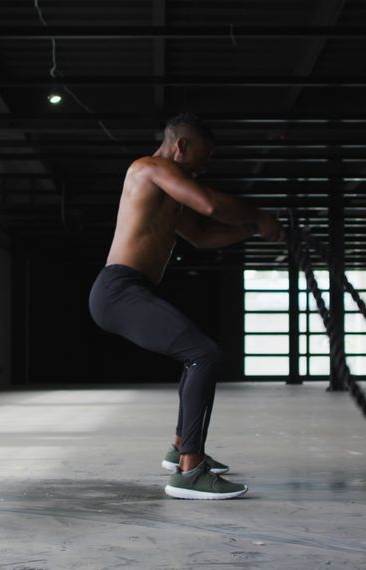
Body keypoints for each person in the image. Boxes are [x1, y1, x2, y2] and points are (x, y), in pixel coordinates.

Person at [88, 113, 285, 499]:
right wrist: (259, 216)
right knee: (204, 354)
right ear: (180, 146)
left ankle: (181, 449)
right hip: (118, 289)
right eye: (203, 156)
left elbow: (202, 236)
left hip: (131, 289)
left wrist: (251, 230)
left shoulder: (168, 197)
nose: (204, 166)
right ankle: (189, 470)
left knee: (198, 355)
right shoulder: (148, 169)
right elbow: (209, 206)